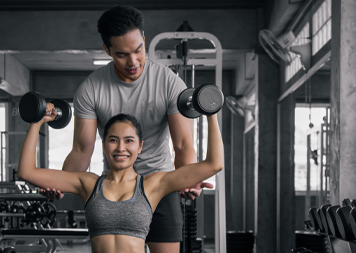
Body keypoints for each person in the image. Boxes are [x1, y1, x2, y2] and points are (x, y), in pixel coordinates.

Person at [40, 5, 213, 252]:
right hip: (114, 187)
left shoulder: (168, 82)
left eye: (138, 50)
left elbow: (183, 144)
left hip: (160, 183)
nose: (133, 61)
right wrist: (60, 182)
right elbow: (81, 150)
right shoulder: (90, 89)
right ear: (107, 50)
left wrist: (188, 179)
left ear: (144, 37)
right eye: (122, 54)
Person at [17, 109, 224, 253]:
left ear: (140, 146)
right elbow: (27, 171)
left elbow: (214, 164)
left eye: (129, 141)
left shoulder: (153, 185)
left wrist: (211, 115)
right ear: (104, 145)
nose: (121, 148)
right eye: (113, 140)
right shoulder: (88, 184)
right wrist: (36, 123)